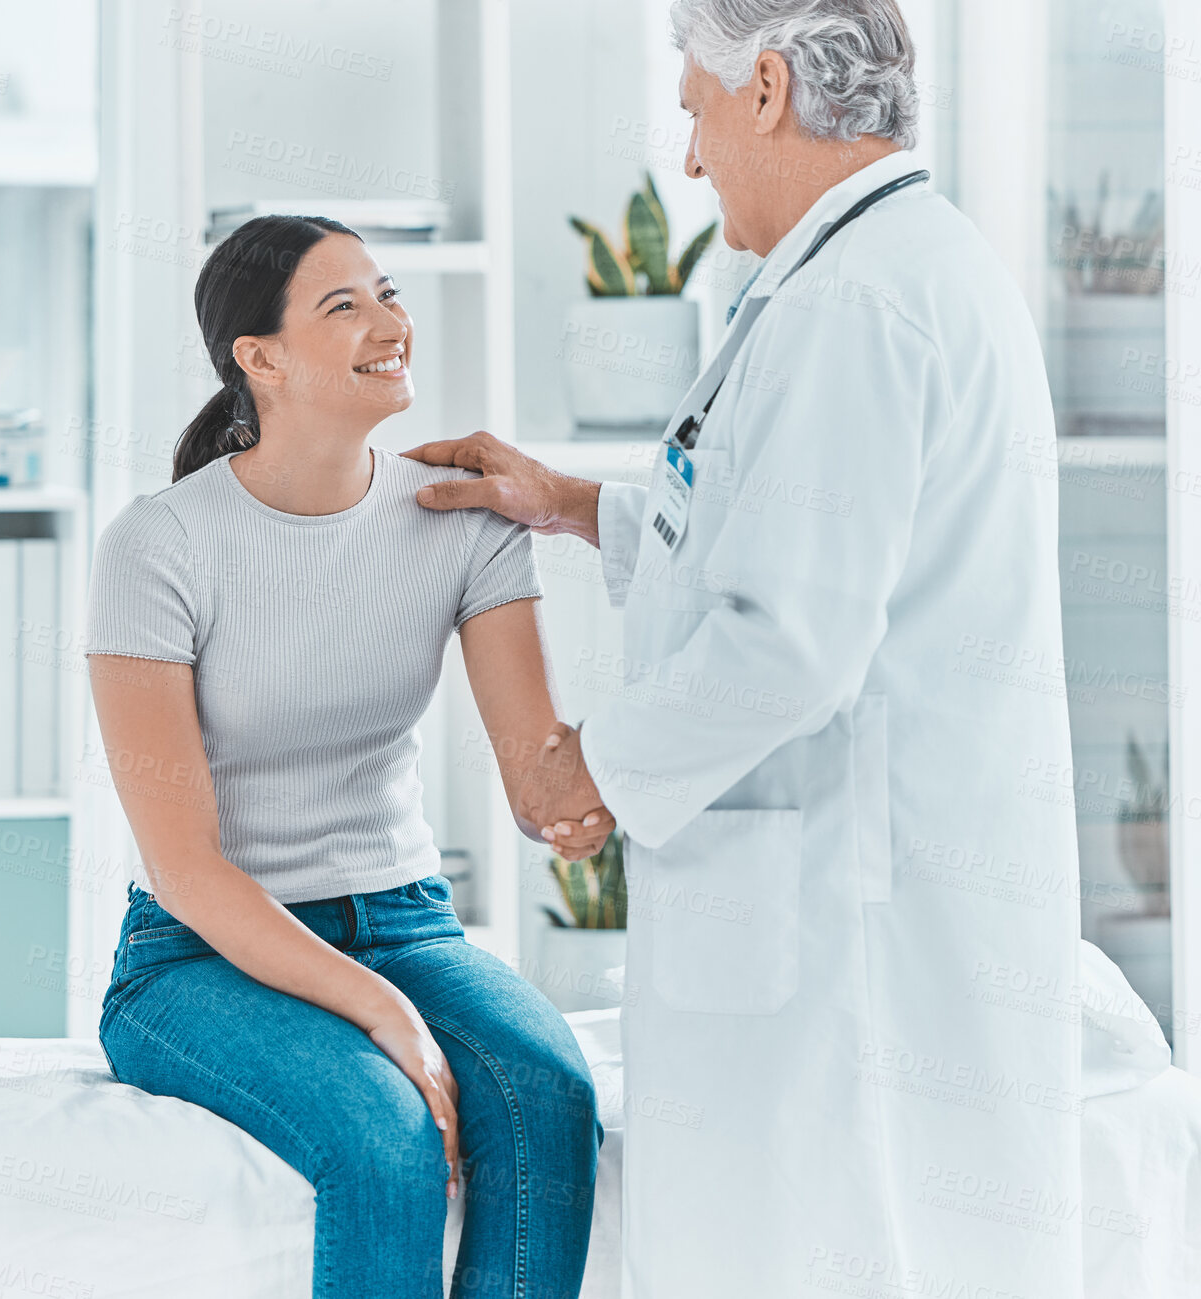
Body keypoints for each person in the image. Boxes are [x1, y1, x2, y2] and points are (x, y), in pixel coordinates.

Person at [404, 1, 1084, 1295]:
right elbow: (769, 542)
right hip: (844, 888)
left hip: (849, 915)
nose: (690, 157)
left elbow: (788, 640)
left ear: (764, 88)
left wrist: (579, 767)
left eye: (693, 106)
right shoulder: (881, 270)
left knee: (819, 1243)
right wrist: (561, 500)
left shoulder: (857, 304)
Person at [84, 214, 609, 1299]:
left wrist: (613, 786)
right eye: (345, 305)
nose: (390, 321)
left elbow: (542, 788)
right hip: (196, 957)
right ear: (259, 359)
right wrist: (379, 1009)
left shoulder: (463, 521)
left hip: (405, 920)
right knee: (383, 1132)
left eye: (388, 291)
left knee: (551, 1093)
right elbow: (185, 870)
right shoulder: (160, 545)